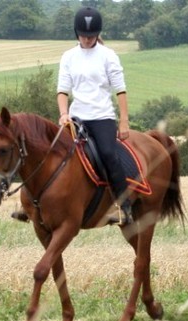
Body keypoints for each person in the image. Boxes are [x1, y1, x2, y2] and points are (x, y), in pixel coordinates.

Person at [57, 7, 133, 225]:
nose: (87, 39)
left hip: (102, 117)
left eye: (91, 36)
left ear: (97, 34)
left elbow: (120, 90)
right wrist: (63, 114)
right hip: (75, 118)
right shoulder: (69, 56)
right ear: (76, 33)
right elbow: (62, 90)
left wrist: (124, 120)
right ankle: (36, 204)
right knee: (51, 152)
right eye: (83, 35)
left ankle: (124, 207)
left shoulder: (108, 56)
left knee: (109, 154)